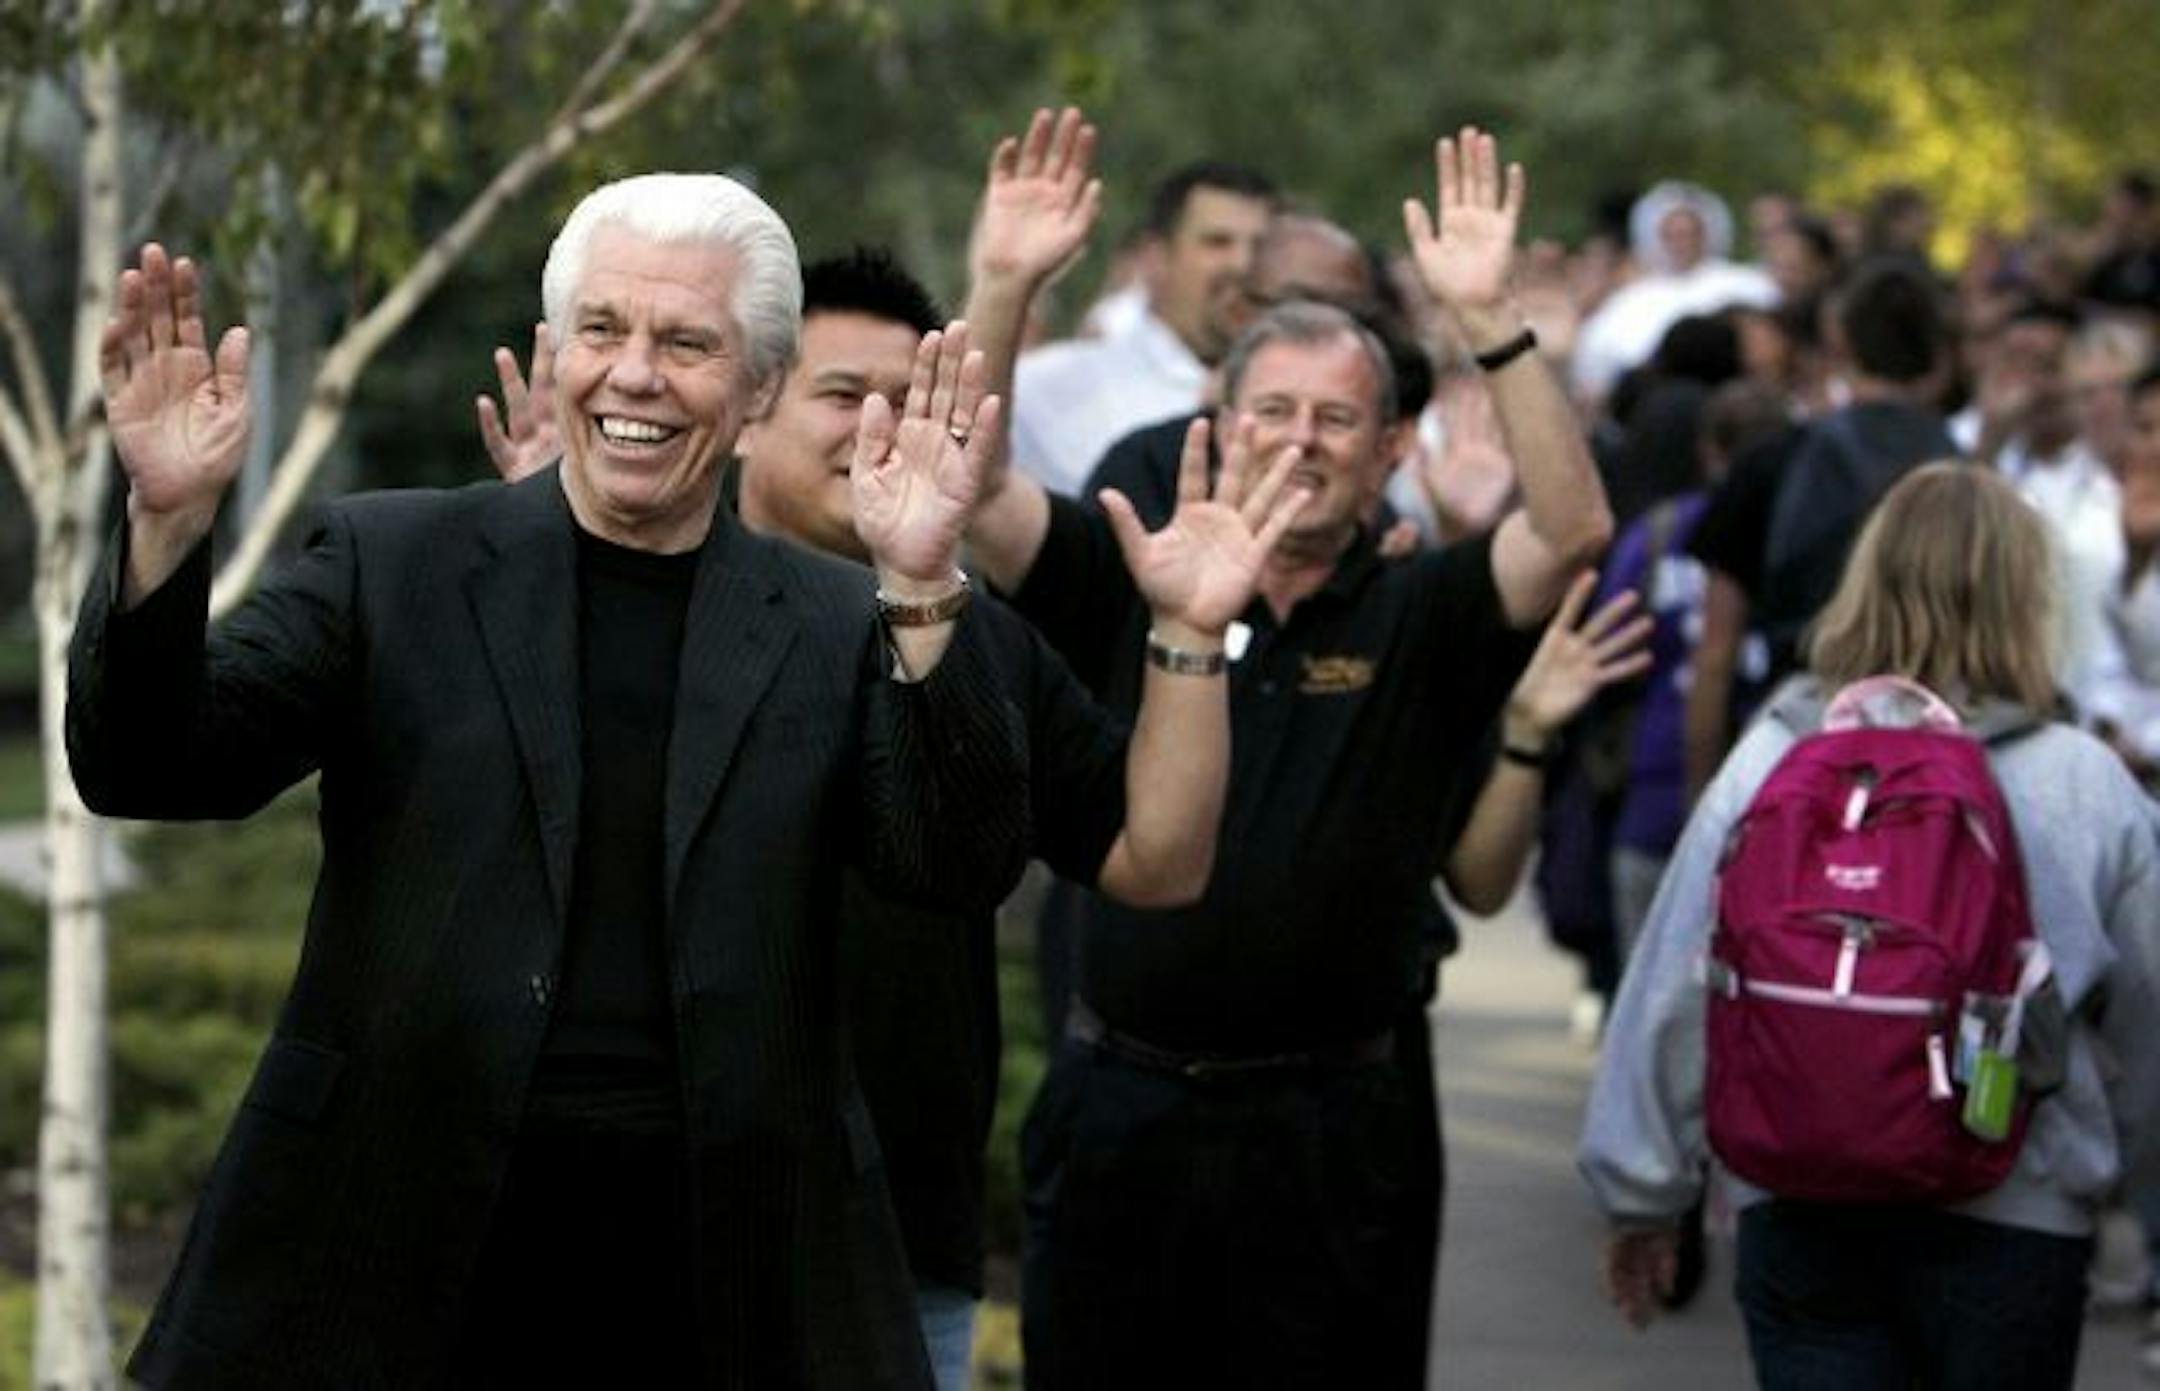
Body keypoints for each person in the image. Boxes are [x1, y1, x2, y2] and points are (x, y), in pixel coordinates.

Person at [74, 177, 1053, 1389]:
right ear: (559, 352)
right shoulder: (393, 562)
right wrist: (165, 530)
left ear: (757, 393)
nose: (634, 375)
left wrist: (919, 577)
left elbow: (956, 863)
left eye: (687, 343)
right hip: (387, 1243)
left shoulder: (838, 621)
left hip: (727, 1271)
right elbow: (144, 766)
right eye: (603, 331)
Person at [971, 127, 1613, 1387]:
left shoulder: (1421, 608)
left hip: (1338, 1132)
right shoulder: (1130, 578)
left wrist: (1486, 317)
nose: (1303, 439)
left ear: (1388, 457)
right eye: (1274, 410)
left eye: (1338, 419)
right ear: (1220, 420)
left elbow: (1575, 523)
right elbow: (969, 490)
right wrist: (1003, 284)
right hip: (1123, 1114)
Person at [1582, 462, 2160, 1390]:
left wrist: (1644, 1190)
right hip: (2016, 1213)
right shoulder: (2085, 781)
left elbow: (1677, 981)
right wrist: (2135, 1180)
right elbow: (2149, 1012)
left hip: (1802, 1199)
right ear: (2029, 602)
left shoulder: (1775, 757)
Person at [1682, 256, 1954, 801]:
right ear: (1941, 355)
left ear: (1839, 344)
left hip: (1799, 744)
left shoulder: (1772, 463)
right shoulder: (1976, 478)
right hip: (1943, 756)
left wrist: (1705, 799)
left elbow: (1715, 653)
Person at [1006, 158, 1276, 495]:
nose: (1242, 264)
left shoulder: (1309, 403)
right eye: (1218, 242)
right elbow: (964, 439)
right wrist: (1000, 285)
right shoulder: (1057, 383)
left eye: (1261, 247)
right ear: (1156, 258)